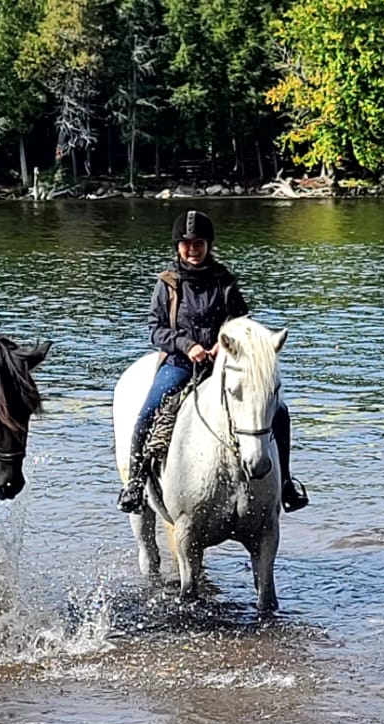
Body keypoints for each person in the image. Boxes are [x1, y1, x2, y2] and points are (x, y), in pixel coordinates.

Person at [117, 210, 309, 514]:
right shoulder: (167, 283)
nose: (193, 249)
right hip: (181, 362)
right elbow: (156, 329)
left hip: (224, 362)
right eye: (187, 244)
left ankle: (286, 483)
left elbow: (240, 319)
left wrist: (224, 343)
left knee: (279, 411)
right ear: (178, 246)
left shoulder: (224, 280)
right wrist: (187, 345)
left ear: (208, 245)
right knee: (148, 411)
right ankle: (136, 483)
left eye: (199, 243)